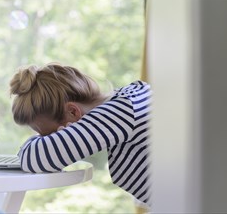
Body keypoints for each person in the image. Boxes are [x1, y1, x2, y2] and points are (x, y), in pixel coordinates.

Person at [10, 62, 152, 208]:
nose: (52, 140)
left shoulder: (120, 112)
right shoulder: (131, 98)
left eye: (50, 135)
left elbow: (34, 157)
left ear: (73, 112)